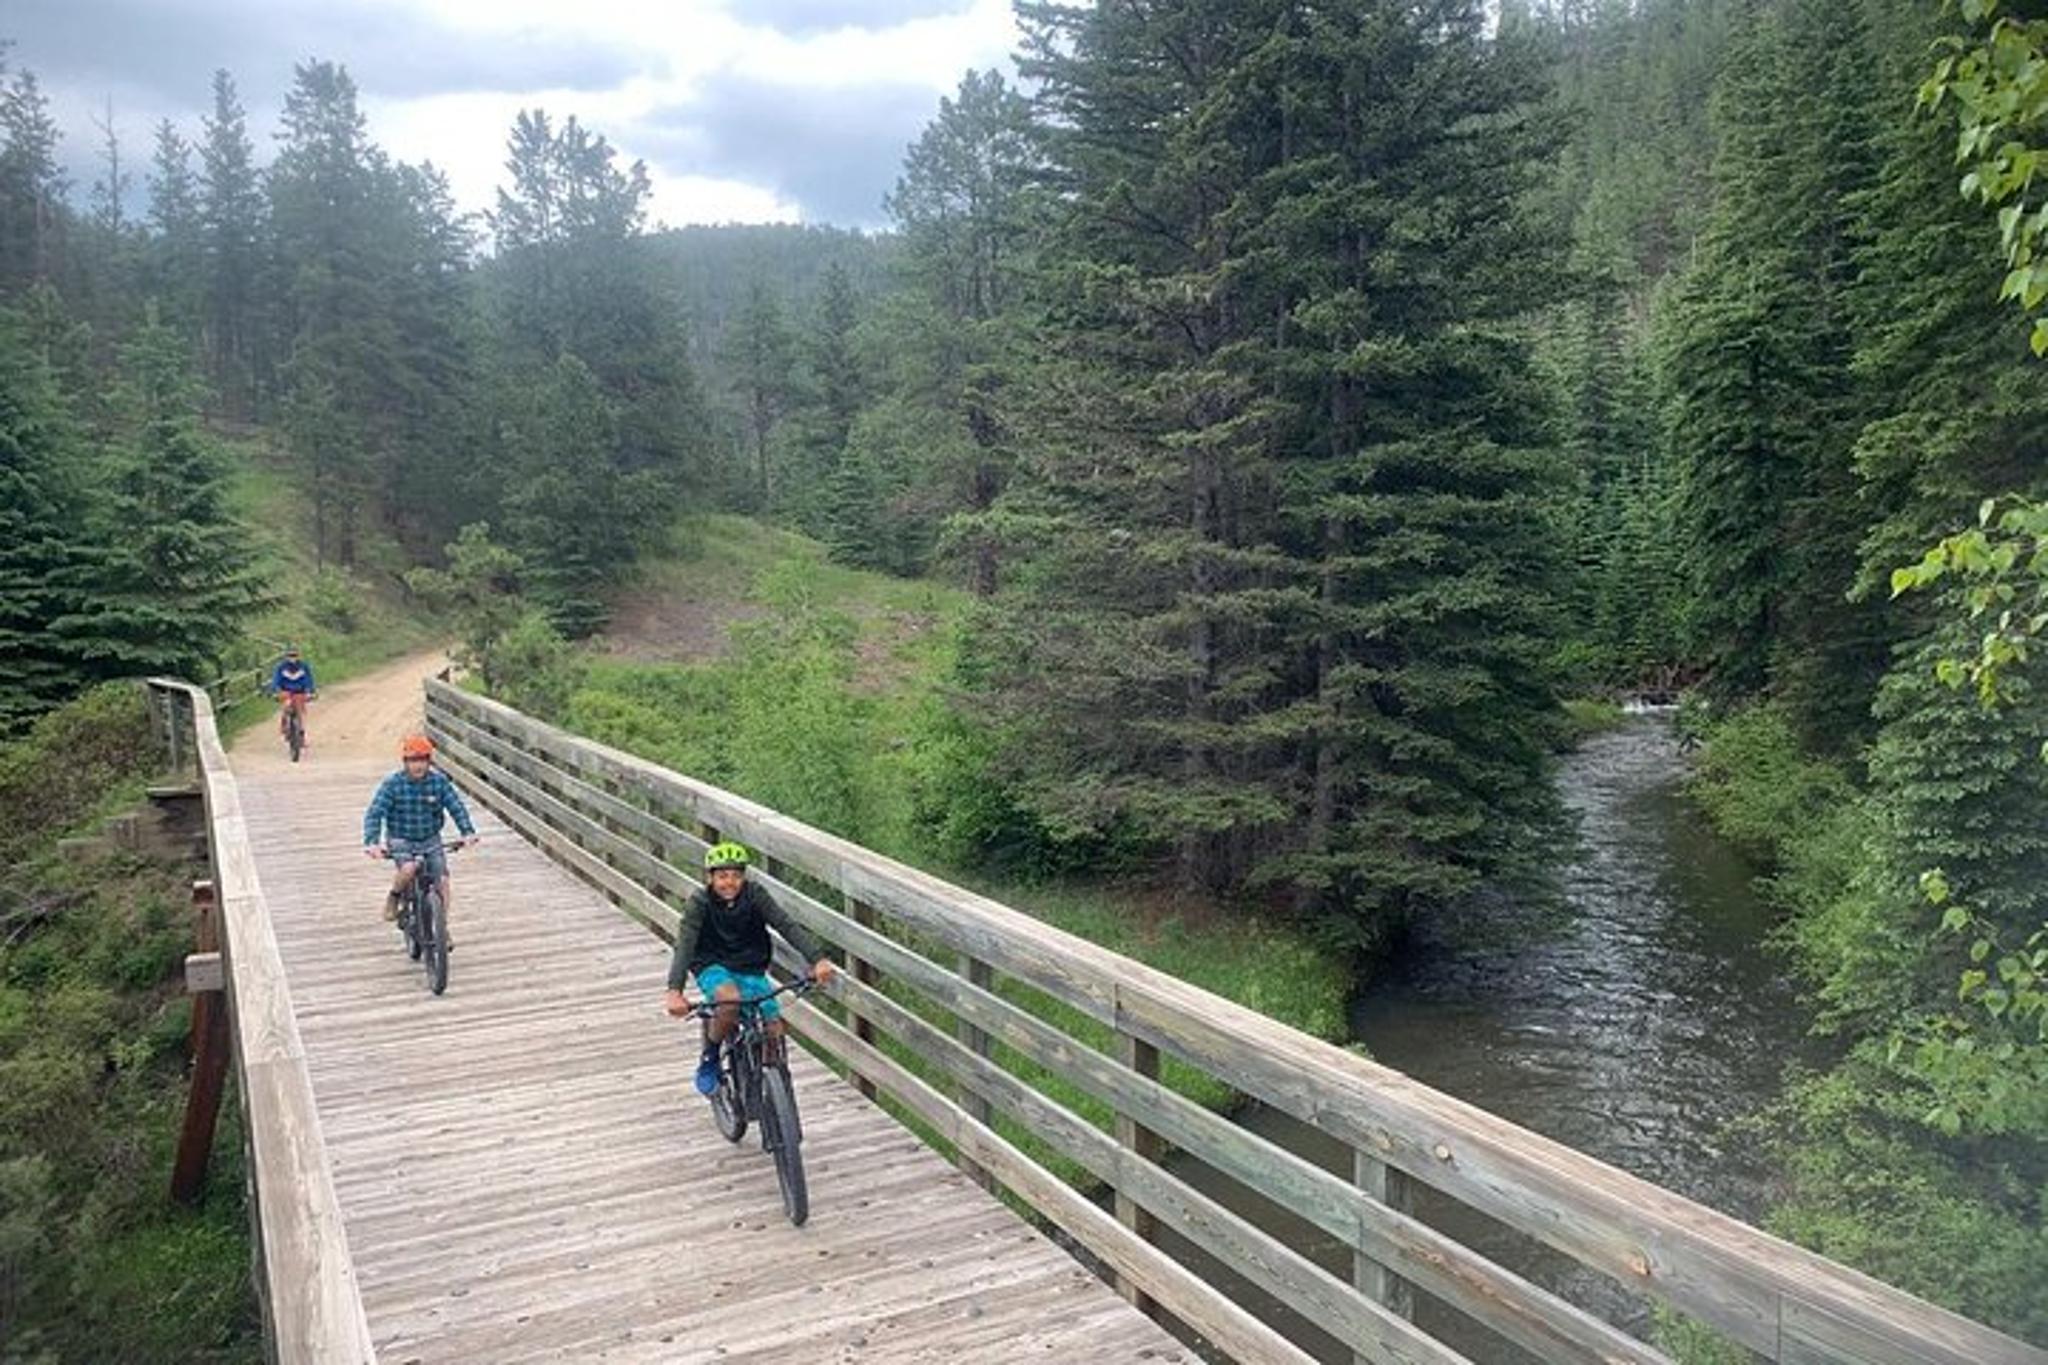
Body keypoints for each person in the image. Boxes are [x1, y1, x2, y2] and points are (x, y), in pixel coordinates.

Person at [664, 842, 836, 1096]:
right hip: (712, 963)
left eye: (736, 876)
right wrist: (674, 990)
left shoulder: (755, 895)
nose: (729, 883)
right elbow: (686, 945)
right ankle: (710, 1057)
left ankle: (776, 1087)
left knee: (774, 1027)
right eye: (722, 876)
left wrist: (817, 958)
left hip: (750, 965)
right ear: (710, 877)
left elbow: (785, 924)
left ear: (744, 877)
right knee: (729, 1000)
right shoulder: (699, 902)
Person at [362, 735, 478, 948]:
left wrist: (467, 832)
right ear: (405, 762)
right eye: (413, 760)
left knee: (442, 880)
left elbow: (456, 806)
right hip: (401, 838)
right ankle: (394, 898)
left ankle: (442, 928)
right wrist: (372, 842)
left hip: (430, 838)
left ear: (429, 761)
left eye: (422, 760)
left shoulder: (439, 782)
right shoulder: (392, 784)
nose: (418, 765)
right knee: (408, 868)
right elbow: (375, 813)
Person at [267, 646, 317, 744]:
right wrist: (274, 691)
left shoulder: (304, 666)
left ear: (298, 656)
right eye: (290, 655)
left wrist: (311, 691)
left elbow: (309, 680)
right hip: (286, 691)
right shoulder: (281, 667)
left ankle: (301, 734)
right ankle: (285, 727)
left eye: (295, 655)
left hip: (300, 691)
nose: (292, 658)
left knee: (300, 711)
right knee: (286, 706)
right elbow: (276, 680)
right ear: (286, 656)